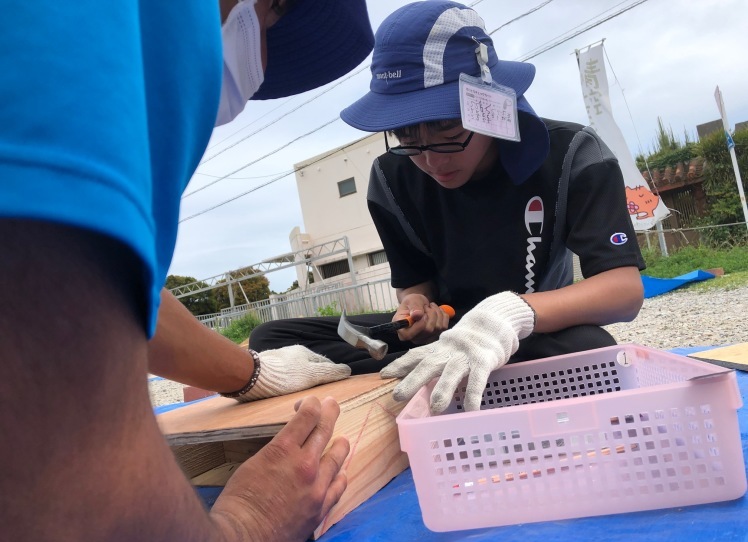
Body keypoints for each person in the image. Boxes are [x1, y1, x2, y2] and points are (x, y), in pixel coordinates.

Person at [0, 1, 374, 542]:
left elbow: (97, 292)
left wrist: (253, 372)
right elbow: (80, 521)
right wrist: (249, 528)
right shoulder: (105, 24)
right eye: (272, 24)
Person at [249, 0, 645, 414]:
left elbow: (623, 291)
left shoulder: (572, 155)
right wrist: (415, 309)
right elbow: (415, 281)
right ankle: (437, 369)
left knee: (590, 349)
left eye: (446, 127)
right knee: (270, 340)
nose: (432, 159)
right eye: (406, 134)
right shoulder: (392, 177)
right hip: (448, 331)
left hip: (526, 329)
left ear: (488, 104)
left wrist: (509, 314)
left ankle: (424, 377)